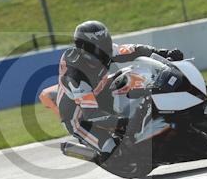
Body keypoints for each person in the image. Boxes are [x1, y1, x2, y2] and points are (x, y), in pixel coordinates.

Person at [57, 20, 184, 160]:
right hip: (78, 115)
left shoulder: (108, 50)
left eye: (105, 44)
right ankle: (97, 154)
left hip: (101, 90)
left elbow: (136, 50)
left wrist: (164, 53)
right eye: (98, 47)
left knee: (132, 76)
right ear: (84, 48)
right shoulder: (76, 75)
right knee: (112, 150)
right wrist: (123, 122)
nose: (104, 51)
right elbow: (91, 114)